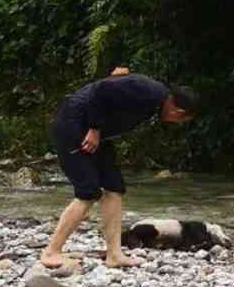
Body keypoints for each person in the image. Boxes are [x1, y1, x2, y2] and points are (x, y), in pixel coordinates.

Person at [41, 67, 198, 268]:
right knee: (88, 192)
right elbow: (101, 90)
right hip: (74, 126)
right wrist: (95, 128)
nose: (175, 123)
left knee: (114, 187)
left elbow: (113, 87)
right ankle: (51, 252)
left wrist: (117, 78)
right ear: (178, 111)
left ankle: (114, 255)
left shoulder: (155, 99)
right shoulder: (149, 92)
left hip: (96, 134)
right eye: (180, 120)